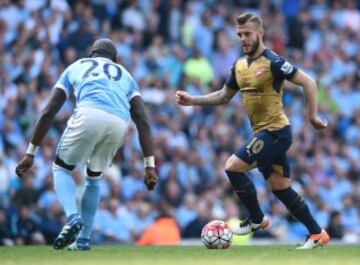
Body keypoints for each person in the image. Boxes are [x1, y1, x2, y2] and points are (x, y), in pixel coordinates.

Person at [175, 13, 330, 249]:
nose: (243, 39)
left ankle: (257, 219)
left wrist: (312, 116)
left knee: (232, 167)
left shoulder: (274, 62)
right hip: (265, 133)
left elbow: (308, 82)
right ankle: (317, 233)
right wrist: (193, 100)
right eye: (239, 35)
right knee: (281, 188)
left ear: (260, 32)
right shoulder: (238, 66)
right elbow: (224, 96)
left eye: (247, 34)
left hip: (277, 132)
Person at [15, 39, 158, 250]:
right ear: (114, 60)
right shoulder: (125, 75)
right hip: (119, 123)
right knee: (93, 178)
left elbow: (49, 111)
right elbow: (142, 119)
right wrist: (149, 166)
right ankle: (84, 240)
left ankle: (73, 218)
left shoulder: (77, 66)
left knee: (61, 168)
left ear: (92, 54)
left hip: (89, 113)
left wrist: (31, 152)